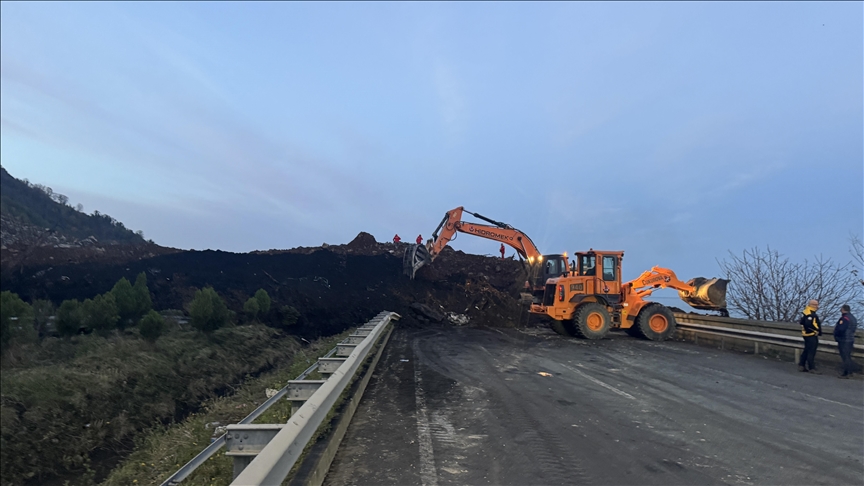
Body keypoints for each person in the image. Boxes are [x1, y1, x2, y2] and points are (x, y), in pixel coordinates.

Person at [798, 299, 822, 373]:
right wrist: (816, 331)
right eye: (815, 305)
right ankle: (812, 368)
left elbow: (801, 322)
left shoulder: (806, 312)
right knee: (811, 351)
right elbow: (808, 324)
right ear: (811, 305)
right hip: (811, 335)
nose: (817, 306)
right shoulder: (811, 314)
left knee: (806, 350)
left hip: (806, 335)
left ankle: (801, 365)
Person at [834, 304, 858, 378]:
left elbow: (841, 329)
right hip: (850, 339)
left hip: (844, 339)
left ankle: (846, 373)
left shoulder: (845, 318)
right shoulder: (853, 318)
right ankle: (850, 372)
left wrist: (837, 335)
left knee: (845, 357)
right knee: (848, 356)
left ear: (843, 309)